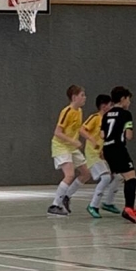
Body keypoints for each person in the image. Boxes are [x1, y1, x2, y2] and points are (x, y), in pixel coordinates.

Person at [102, 86, 136, 224]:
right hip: (118, 148)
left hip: (107, 149)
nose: (129, 102)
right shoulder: (126, 114)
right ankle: (128, 208)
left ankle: (129, 207)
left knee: (122, 176)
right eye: (128, 99)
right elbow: (129, 135)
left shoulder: (106, 114)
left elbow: (102, 134)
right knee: (131, 178)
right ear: (123, 99)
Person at [47, 85, 91, 216]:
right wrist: (74, 141)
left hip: (72, 147)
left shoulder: (79, 111)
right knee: (70, 175)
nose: (85, 98)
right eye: (82, 95)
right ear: (74, 97)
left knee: (86, 173)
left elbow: (77, 129)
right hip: (61, 146)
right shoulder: (67, 111)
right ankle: (55, 205)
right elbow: (58, 132)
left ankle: (66, 196)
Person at [80, 94, 121, 218]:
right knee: (106, 178)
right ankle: (93, 205)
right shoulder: (95, 118)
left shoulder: (109, 121)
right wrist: (92, 140)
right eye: (110, 105)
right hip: (92, 154)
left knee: (118, 176)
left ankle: (108, 203)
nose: (112, 107)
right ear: (104, 106)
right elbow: (82, 129)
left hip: (103, 154)